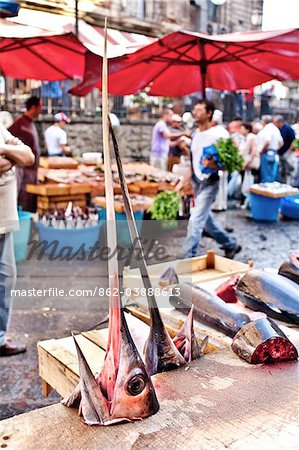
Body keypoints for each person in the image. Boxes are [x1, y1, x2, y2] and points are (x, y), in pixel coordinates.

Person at [175, 100, 241, 259]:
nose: (195, 112)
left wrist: (215, 165)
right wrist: (181, 183)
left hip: (210, 182)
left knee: (196, 220)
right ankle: (230, 244)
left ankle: (186, 258)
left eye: (199, 110)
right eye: (195, 109)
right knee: (206, 220)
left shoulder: (219, 134)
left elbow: (233, 162)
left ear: (209, 113)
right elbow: (193, 163)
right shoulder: (195, 135)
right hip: (197, 183)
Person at [0, 123, 34, 356]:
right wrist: (11, 156)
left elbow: (28, 156)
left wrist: (2, 148)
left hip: (5, 222)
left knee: (5, 280)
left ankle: (0, 338)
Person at [9, 96, 42, 212]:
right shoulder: (20, 123)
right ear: (33, 107)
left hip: (32, 170)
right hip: (23, 171)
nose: (41, 110)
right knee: (23, 201)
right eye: (39, 107)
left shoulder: (30, 123)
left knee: (30, 201)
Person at [210, 109, 230, 211]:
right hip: (225, 161)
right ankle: (223, 204)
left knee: (217, 183)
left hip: (216, 161)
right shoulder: (225, 132)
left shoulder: (213, 132)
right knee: (224, 183)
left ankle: (217, 205)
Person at [257, 115, 283, 183]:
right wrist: (275, 150)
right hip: (274, 153)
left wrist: (262, 151)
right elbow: (281, 143)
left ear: (264, 121)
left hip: (266, 153)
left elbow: (268, 141)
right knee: (273, 175)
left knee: (266, 176)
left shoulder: (267, 129)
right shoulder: (276, 129)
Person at [239, 123, 260, 206]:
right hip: (244, 164)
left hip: (249, 164)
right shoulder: (244, 138)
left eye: (242, 128)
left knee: (250, 183)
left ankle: (249, 202)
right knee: (244, 182)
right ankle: (245, 201)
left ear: (247, 129)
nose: (241, 130)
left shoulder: (251, 137)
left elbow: (253, 151)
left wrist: (248, 162)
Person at [273, 115, 296, 183]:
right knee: (282, 170)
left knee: (288, 170)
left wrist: (288, 151)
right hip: (280, 153)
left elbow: (294, 141)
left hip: (287, 153)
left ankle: (288, 183)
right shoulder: (278, 129)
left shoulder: (288, 129)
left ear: (280, 122)